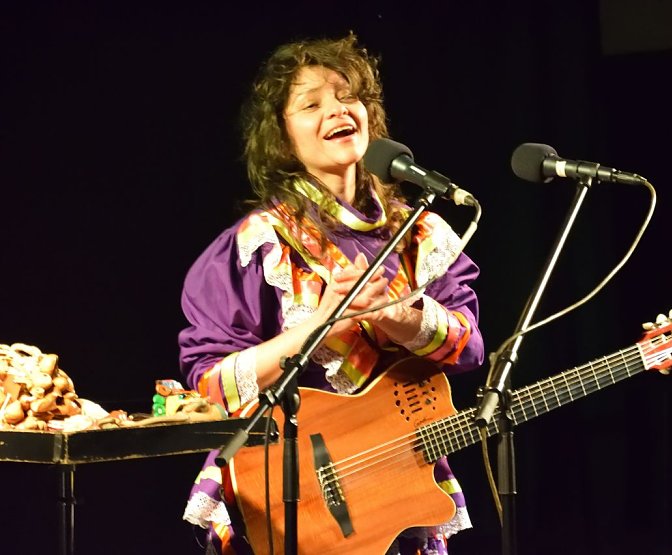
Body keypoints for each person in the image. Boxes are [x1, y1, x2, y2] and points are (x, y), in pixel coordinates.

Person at [177, 34, 484, 555]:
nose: (338, 110)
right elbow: (208, 388)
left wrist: (400, 316)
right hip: (289, 494)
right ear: (281, 135)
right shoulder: (254, 247)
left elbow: (469, 350)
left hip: (395, 486)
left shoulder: (421, 234)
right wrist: (316, 331)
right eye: (311, 103)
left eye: (349, 96)